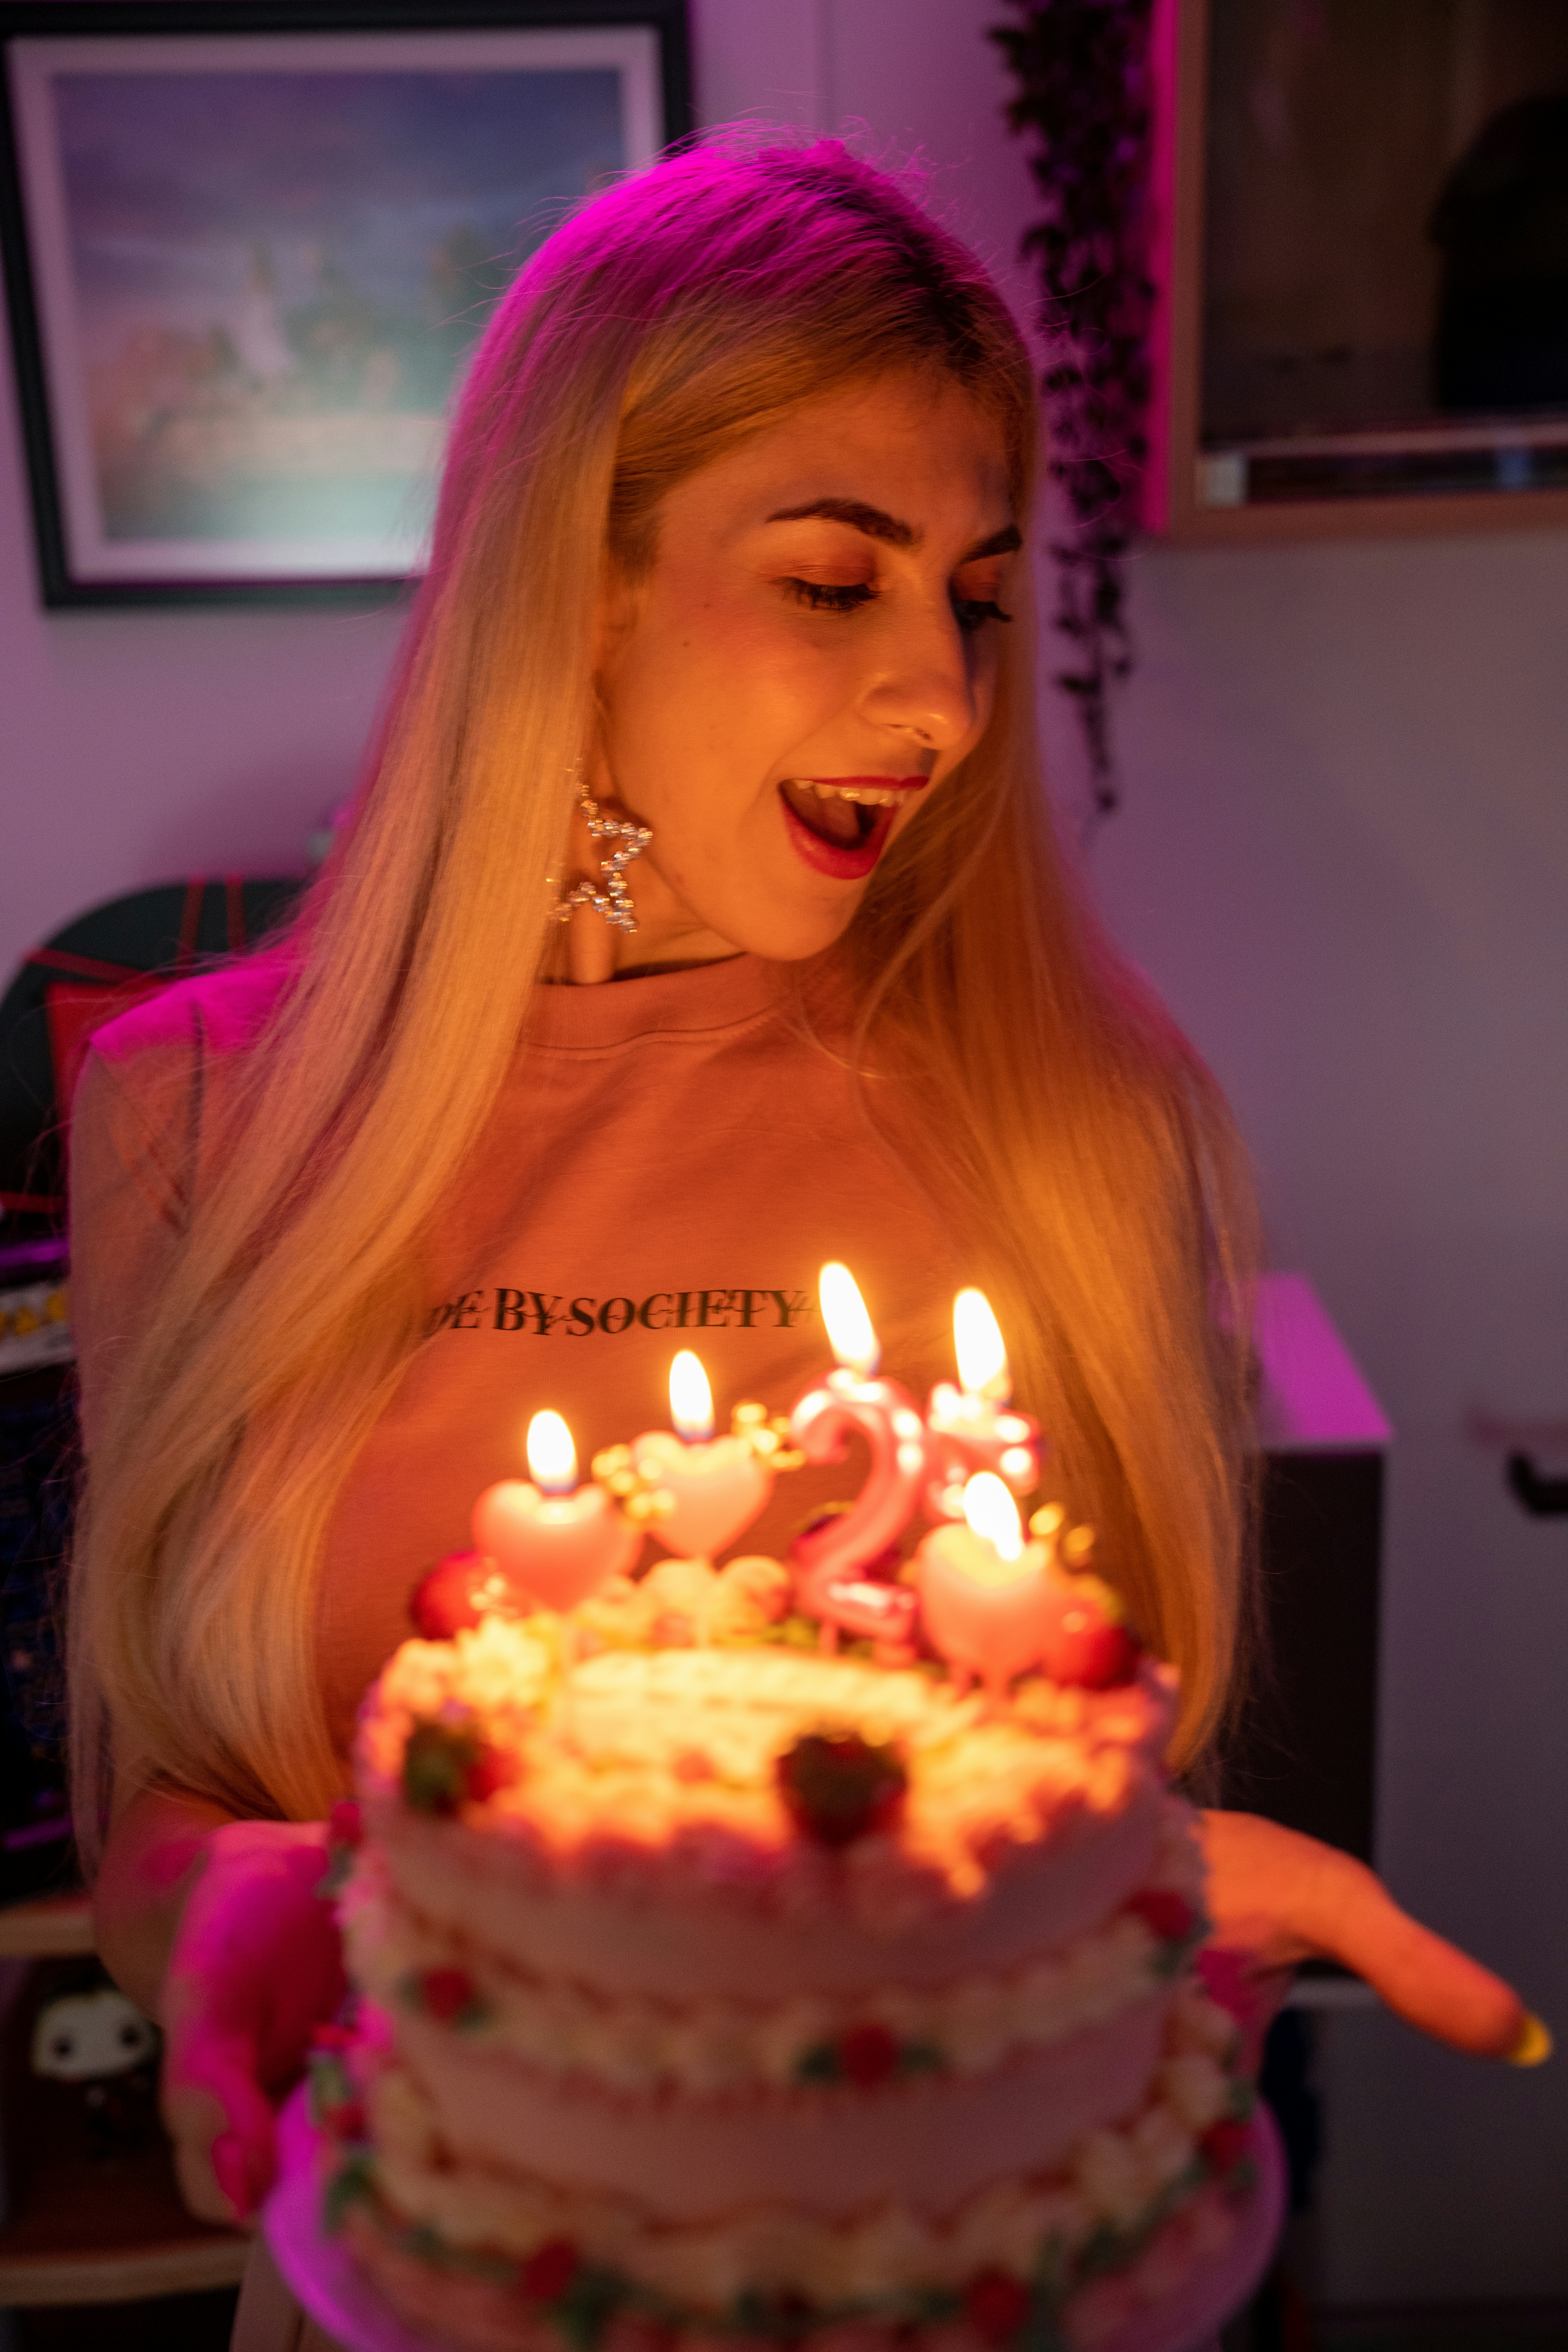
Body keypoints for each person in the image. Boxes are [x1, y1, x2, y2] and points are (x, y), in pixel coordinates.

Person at [68, 137, 1543, 2348]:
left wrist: (1109, 1924)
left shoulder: (1085, 1124)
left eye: (974, 593)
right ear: (571, 582)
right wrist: (246, 1913)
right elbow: (150, 1807)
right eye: (837, 582)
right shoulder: (197, 1110)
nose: (945, 701)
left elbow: (1074, 1778)